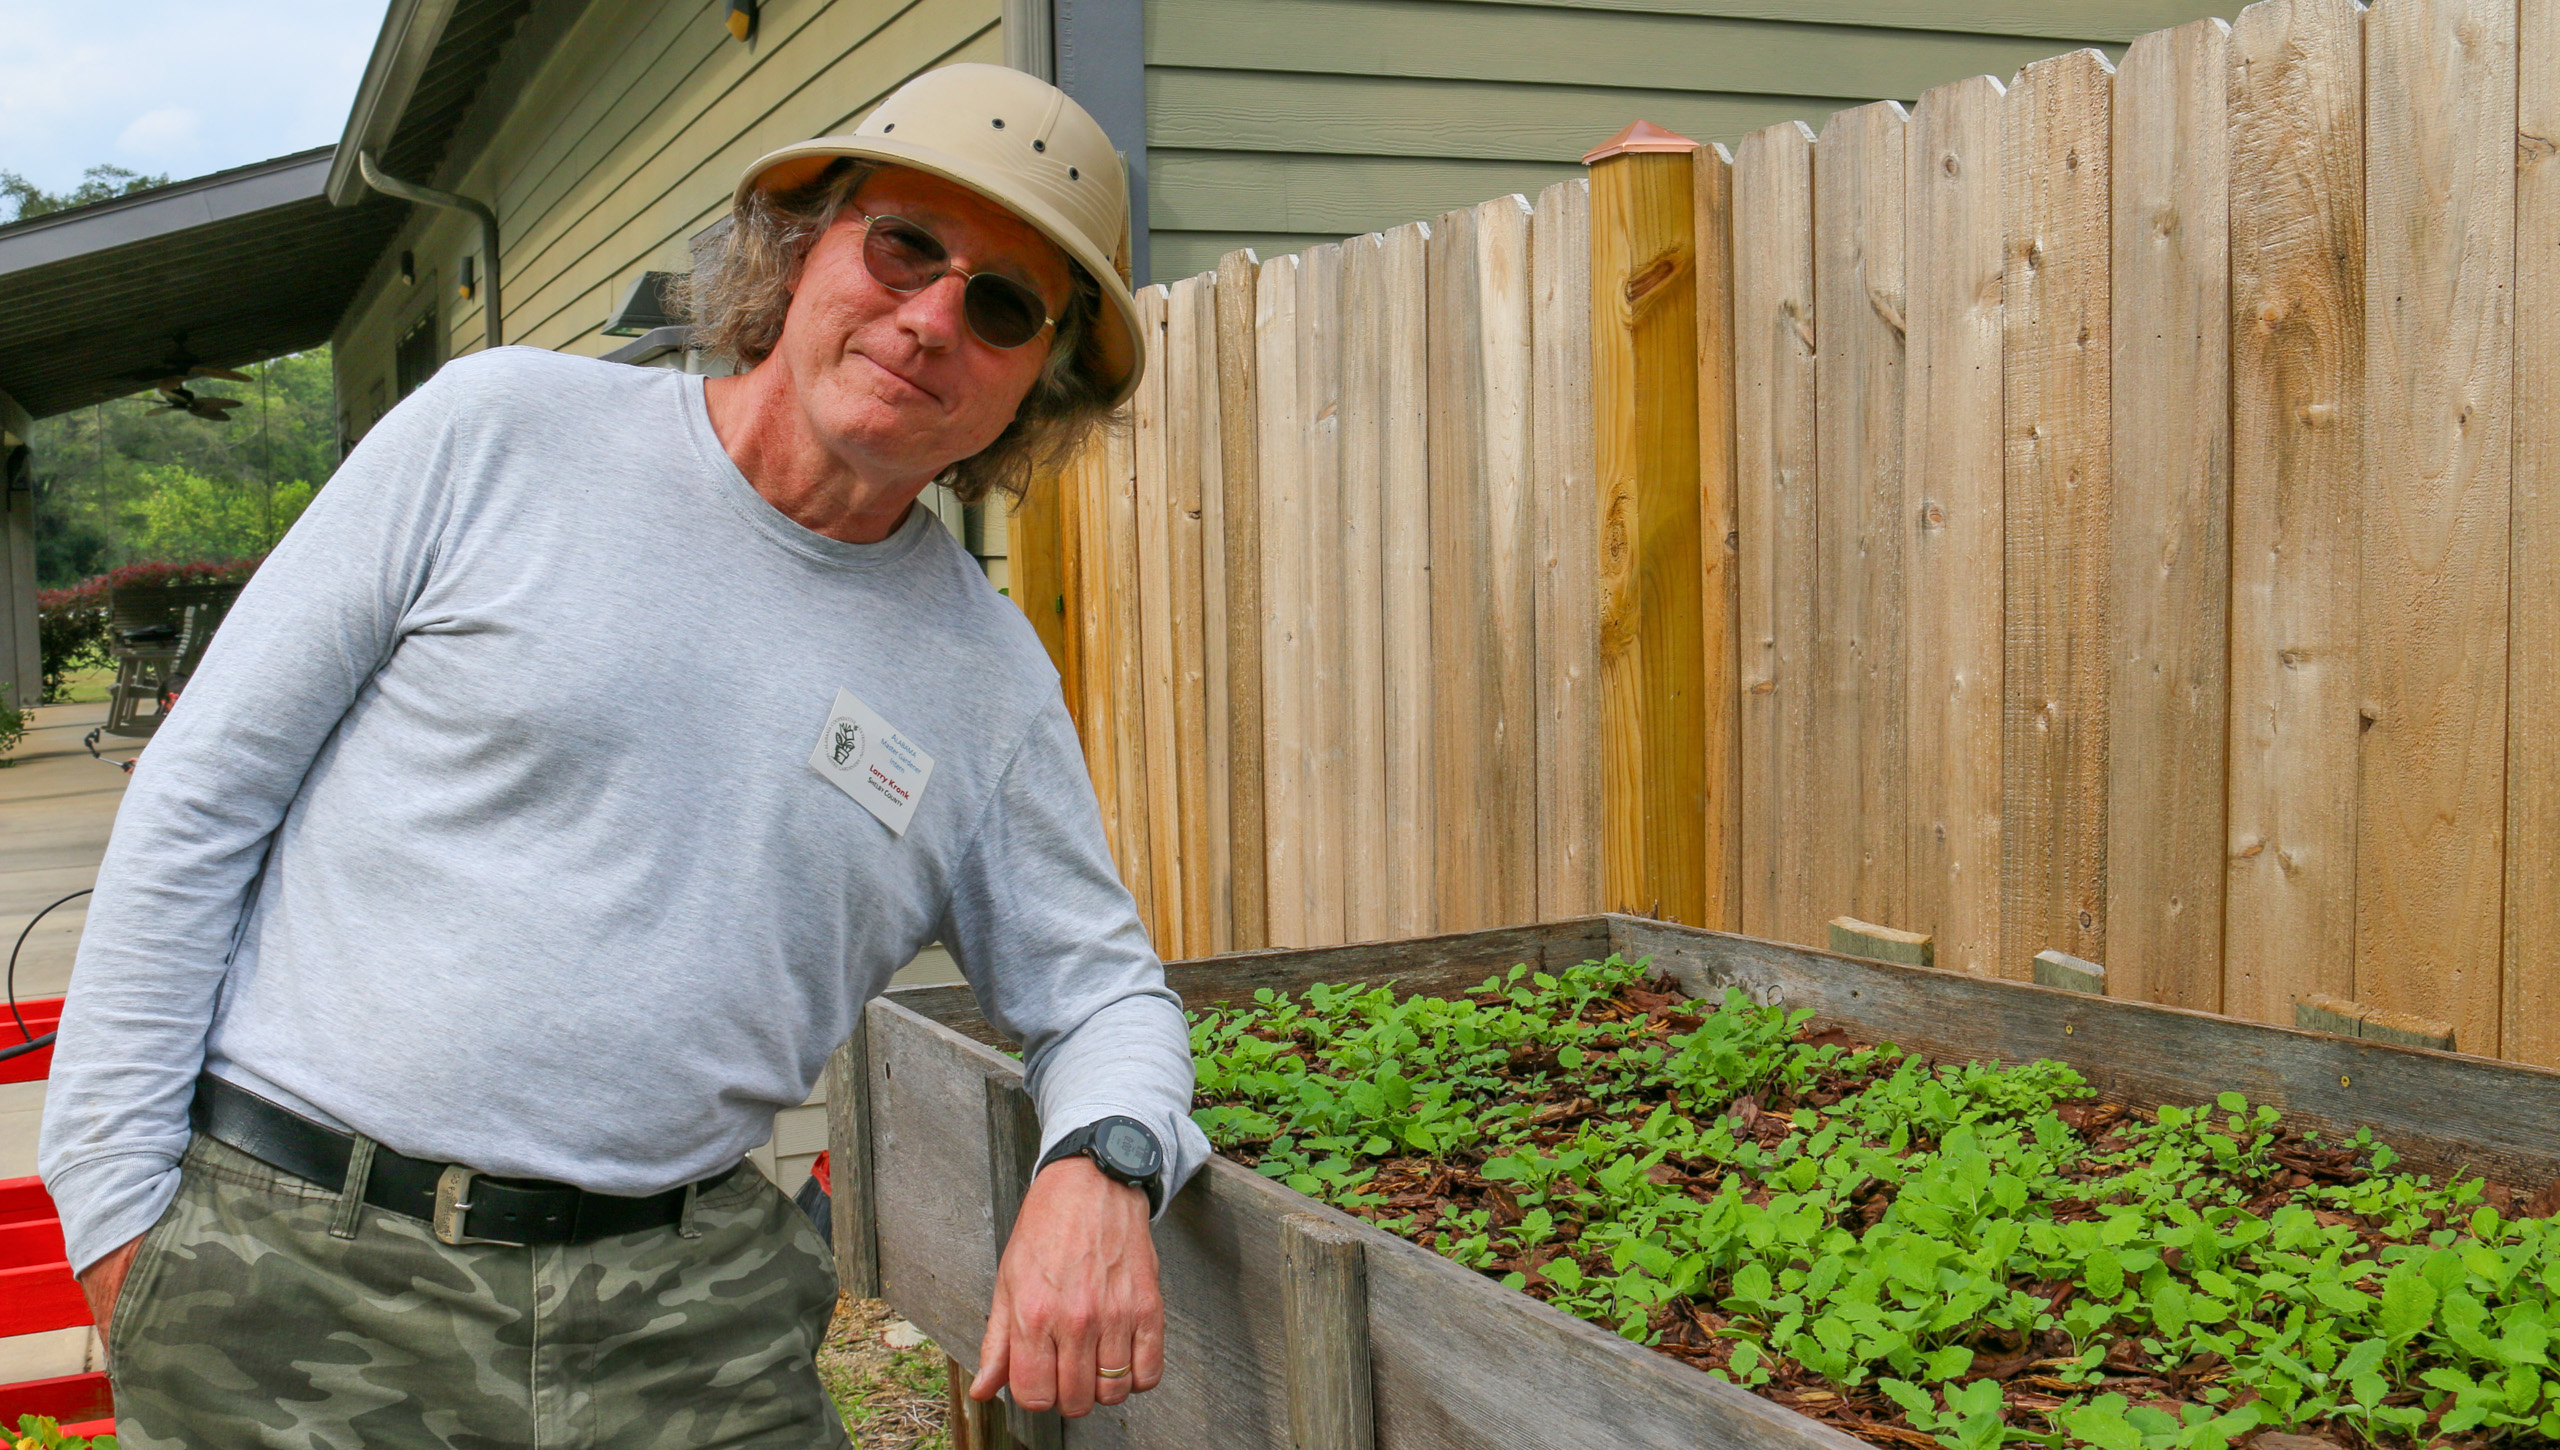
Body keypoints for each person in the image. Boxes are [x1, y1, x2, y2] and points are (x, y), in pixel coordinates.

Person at [39, 63, 1205, 1447]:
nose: (933, 316)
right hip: (304, 1268)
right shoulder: (498, 436)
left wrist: (1103, 1159)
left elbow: (1108, 993)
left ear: (1038, 379)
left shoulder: (987, 679)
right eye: (905, 245)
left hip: (684, 1317)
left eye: (1004, 304)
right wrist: (114, 1204)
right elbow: (199, 800)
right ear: (800, 245)